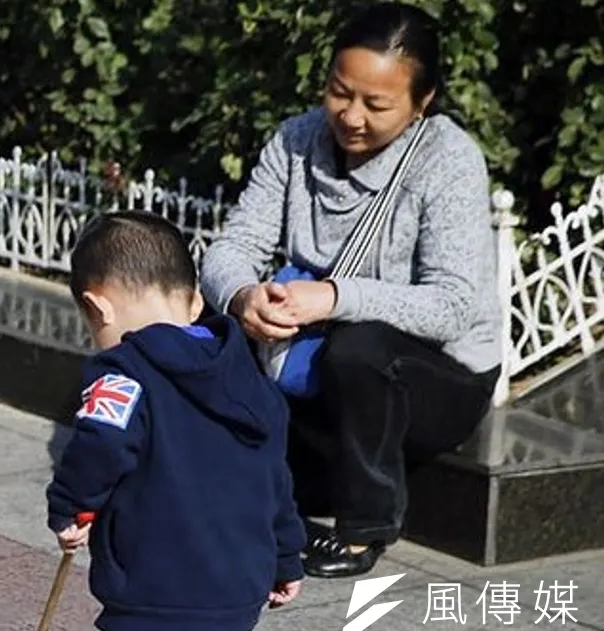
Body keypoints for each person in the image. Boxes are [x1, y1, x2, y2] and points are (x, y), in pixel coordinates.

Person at [199, 1, 502, 579]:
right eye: (340, 92)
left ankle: (366, 526)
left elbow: (452, 306)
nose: (351, 116)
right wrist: (243, 297)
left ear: (423, 101)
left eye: (377, 105)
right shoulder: (295, 140)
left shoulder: (449, 162)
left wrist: (336, 296)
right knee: (209, 321)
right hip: (311, 353)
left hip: (434, 377)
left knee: (360, 347)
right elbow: (232, 247)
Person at [47, 211, 306, 631]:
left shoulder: (122, 375)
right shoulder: (249, 376)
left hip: (160, 607)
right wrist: (287, 557)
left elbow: (100, 445)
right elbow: (276, 478)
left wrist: (70, 505)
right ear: (195, 303)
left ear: (97, 308)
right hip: (239, 603)